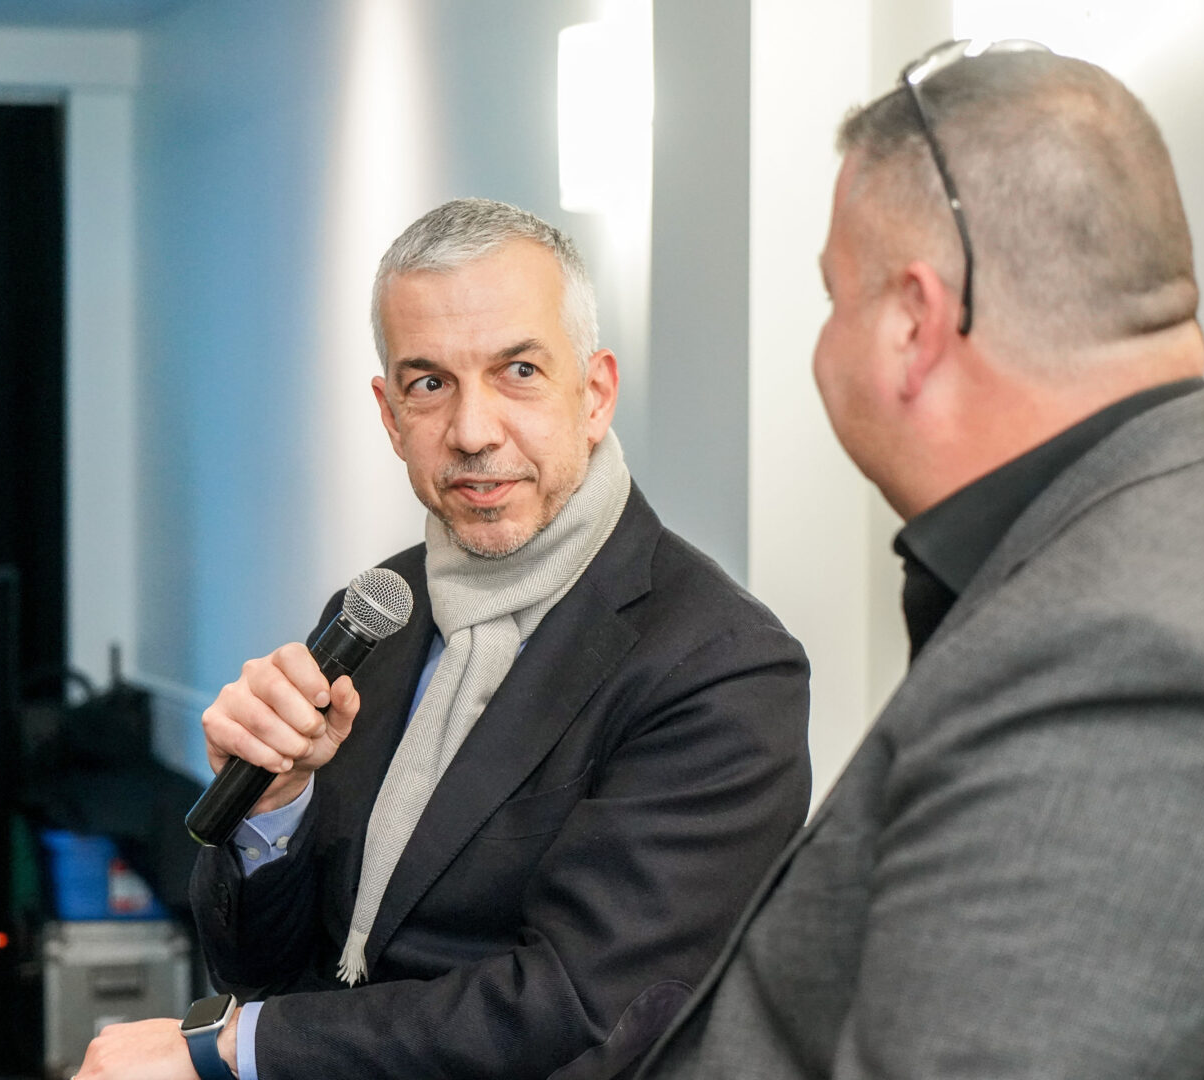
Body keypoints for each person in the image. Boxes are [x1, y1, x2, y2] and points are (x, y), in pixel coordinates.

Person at [635, 40, 1204, 1080]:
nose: (823, 342)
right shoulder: (1194, 518)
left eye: (834, 297)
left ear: (914, 322)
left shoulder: (1125, 652)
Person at [76, 199, 811, 1080]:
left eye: (520, 371)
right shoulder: (379, 607)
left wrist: (228, 1047)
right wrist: (273, 812)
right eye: (430, 384)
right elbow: (265, 969)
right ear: (391, 416)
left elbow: (579, 1006)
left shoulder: (719, 664)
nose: (472, 431)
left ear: (596, 393)